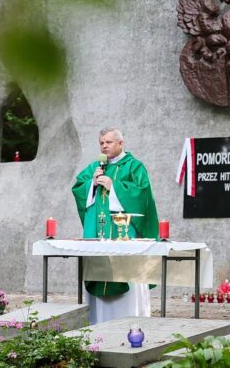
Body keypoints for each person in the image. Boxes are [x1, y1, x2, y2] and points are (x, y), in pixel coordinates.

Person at [71, 128, 159, 324]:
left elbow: (143, 195)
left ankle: (131, 322)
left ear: (121, 144)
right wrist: (92, 184)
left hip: (124, 233)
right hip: (98, 231)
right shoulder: (95, 167)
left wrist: (114, 187)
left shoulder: (134, 166)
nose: (104, 146)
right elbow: (78, 187)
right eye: (101, 142)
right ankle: (97, 322)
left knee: (125, 273)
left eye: (109, 142)